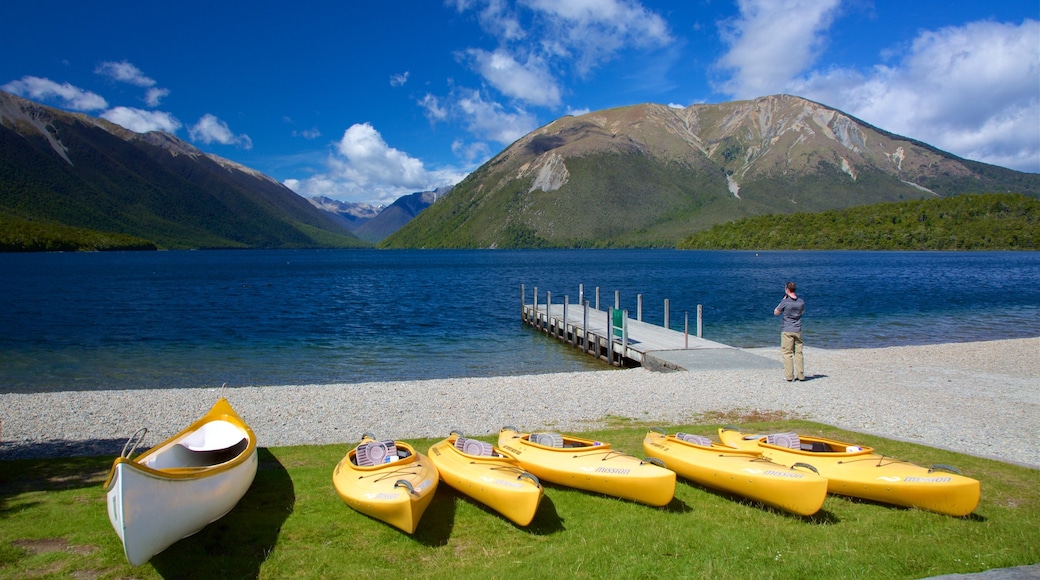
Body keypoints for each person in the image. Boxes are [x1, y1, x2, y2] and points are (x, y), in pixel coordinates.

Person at [773, 281, 805, 381]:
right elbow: (802, 312)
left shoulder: (785, 302)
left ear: (787, 289)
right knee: (798, 353)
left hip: (787, 329)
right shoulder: (801, 301)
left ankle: (789, 376)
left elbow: (776, 312)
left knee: (787, 353)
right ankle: (801, 375)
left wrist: (783, 300)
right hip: (797, 329)